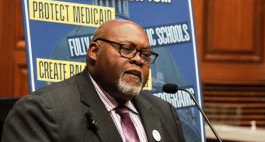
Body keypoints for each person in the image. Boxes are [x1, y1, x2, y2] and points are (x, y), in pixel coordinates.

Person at [1, 19, 186, 142]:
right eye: (127, 49)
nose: (138, 59)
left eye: (145, 55)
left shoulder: (164, 113)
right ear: (94, 52)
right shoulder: (42, 111)